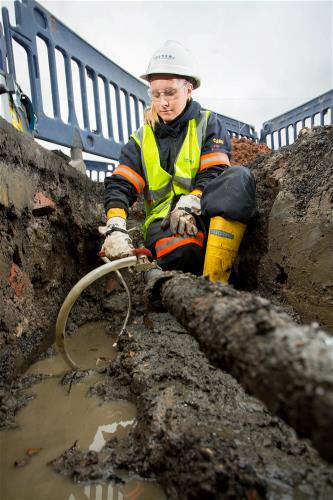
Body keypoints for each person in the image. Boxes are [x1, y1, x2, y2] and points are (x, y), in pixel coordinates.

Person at [101, 40, 256, 283]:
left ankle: (217, 281)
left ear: (189, 89)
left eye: (170, 93)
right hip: (164, 224)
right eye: (156, 94)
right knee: (184, 251)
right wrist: (115, 224)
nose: (163, 102)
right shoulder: (141, 139)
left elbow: (215, 171)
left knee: (239, 177)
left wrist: (191, 201)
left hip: (206, 214)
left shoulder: (207, 124)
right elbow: (121, 183)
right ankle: (185, 279)